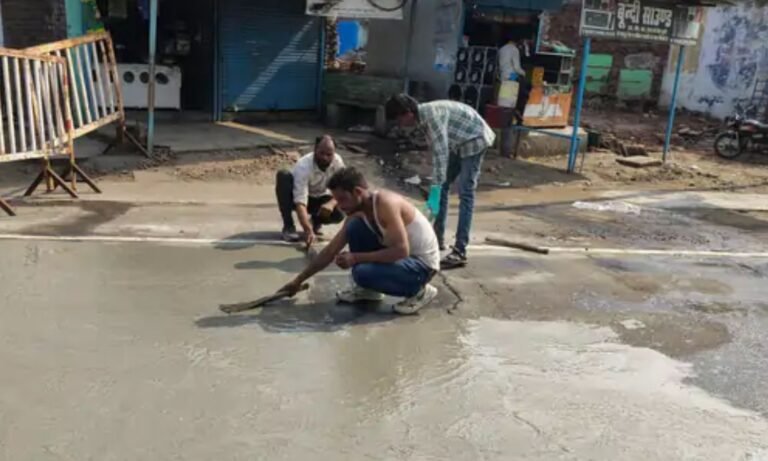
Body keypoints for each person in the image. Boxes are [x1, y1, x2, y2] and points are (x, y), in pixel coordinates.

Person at [279, 167, 440, 315]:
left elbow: (401, 250)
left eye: (342, 199)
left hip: (421, 266)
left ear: (357, 192)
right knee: (354, 227)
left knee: (362, 272)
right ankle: (369, 290)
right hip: (403, 260)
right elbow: (330, 251)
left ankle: (420, 292)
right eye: (336, 201)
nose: (339, 207)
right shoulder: (357, 213)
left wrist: (355, 258)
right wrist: (298, 281)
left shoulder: (386, 204)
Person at [385, 94, 495, 270]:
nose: (400, 125)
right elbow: (436, 152)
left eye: (399, 120)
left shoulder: (432, 117)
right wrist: (436, 190)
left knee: (465, 192)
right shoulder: (421, 118)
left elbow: (441, 155)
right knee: (442, 187)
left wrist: (435, 189)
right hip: (458, 142)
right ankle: (437, 239)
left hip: (475, 138)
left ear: (408, 113)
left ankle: (459, 251)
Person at [275, 135, 345, 245]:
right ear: (315, 150)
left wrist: (331, 204)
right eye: (321, 153)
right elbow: (300, 202)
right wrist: (307, 230)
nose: (325, 158)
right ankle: (288, 226)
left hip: (320, 198)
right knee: (283, 176)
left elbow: (343, 188)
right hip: (298, 198)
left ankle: (316, 221)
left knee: (340, 213)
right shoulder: (303, 166)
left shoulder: (338, 162)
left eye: (329, 154)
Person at [498, 35, 532, 123]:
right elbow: (517, 68)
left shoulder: (502, 49)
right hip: (512, 77)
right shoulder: (514, 50)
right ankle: (516, 115)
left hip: (503, 76)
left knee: (505, 100)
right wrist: (524, 73)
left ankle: (505, 119)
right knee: (516, 98)